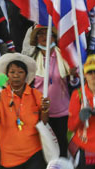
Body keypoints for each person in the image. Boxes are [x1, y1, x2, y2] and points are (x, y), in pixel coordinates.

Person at [28, 24, 79, 154]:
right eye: (41, 34)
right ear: (36, 39)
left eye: (48, 33)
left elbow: (74, 84)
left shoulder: (64, 56)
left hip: (63, 112)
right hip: (40, 114)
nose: (45, 36)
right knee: (45, 150)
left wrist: (73, 75)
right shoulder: (32, 60)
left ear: (54, 37)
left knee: (62, 148)